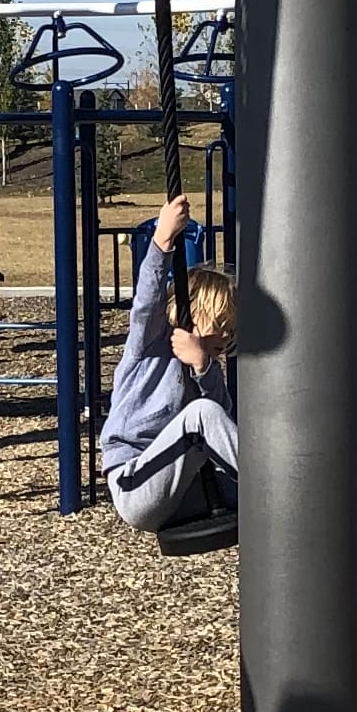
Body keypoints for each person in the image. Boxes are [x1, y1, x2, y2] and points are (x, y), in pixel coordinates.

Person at [101, 193, 236, 533]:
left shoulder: (208, 367)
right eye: (219, 324)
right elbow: (146, 303)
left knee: (212, 414)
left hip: (186, 493)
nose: (225, 336)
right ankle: (277, 487)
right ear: (195, 311)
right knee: (200, 415)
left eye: (230, 329)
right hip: (136, 483)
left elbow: (223, 422)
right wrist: (163, 239)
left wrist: (204, 366)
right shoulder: (150, 344)